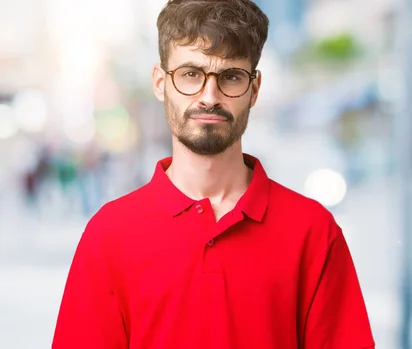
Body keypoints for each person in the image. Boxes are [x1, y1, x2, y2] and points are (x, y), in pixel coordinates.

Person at [52, 0, 375, 348]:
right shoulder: (108, 235)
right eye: (191, 74)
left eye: (231, 77)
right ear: (160, 83)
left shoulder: (313, 232)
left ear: (254, 89)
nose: (210, 96)